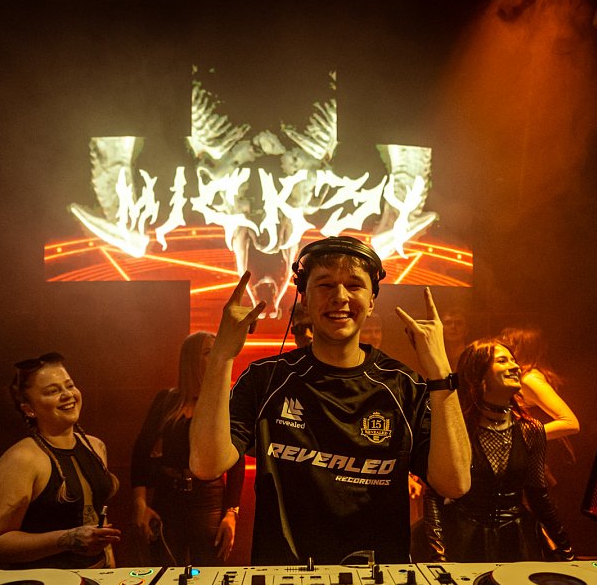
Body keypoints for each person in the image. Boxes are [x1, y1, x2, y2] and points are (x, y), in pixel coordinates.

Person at [189, 235, 471, 565]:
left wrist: (441, 374)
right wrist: (221, 355)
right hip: (283, 582)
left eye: (354, 285)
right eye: (325, 285)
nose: (339, 297)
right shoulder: (266, 380)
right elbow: (206, 464)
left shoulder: (403, 386)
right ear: (305, 298)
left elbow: (455, 483)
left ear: (371, 301)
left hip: (378, 581)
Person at [424, 338, 575, 562]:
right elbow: (434, 495)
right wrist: (438, 556)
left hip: (515, 540)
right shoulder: (458, 427)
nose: (515, 367)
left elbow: (538, 496)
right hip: (464, 538)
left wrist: (566, 550)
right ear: (478, 374)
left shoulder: (530, 430)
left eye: (514, 360)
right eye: (503, 361)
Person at [0, 352, 122, 569]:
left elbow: (96, 516)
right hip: (44, 583)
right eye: (52, 391)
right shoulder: (22, 459)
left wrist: (109, 561)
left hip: (96, 576)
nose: (67, 394)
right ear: (29, 409)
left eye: (69, 385)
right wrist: (68, 539)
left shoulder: (95, 446)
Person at [130, 332, 245, 565]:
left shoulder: (224, 402)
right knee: (165, 570)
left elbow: (236, 460)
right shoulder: (166, 400)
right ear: (191, 360)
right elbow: (141, 451)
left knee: (209, 571)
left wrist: (231, 514)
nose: (215, 357)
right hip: (168, 495)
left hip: (208, 496)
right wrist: (140, 503)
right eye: (208, 352)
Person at [496, 327, 580, 442]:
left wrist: (516, 436)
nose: (502, 348)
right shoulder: (523, 376)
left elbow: (570, 423)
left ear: (520, 349)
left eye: (508, 344)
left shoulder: (529, 379)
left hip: (546, 449)